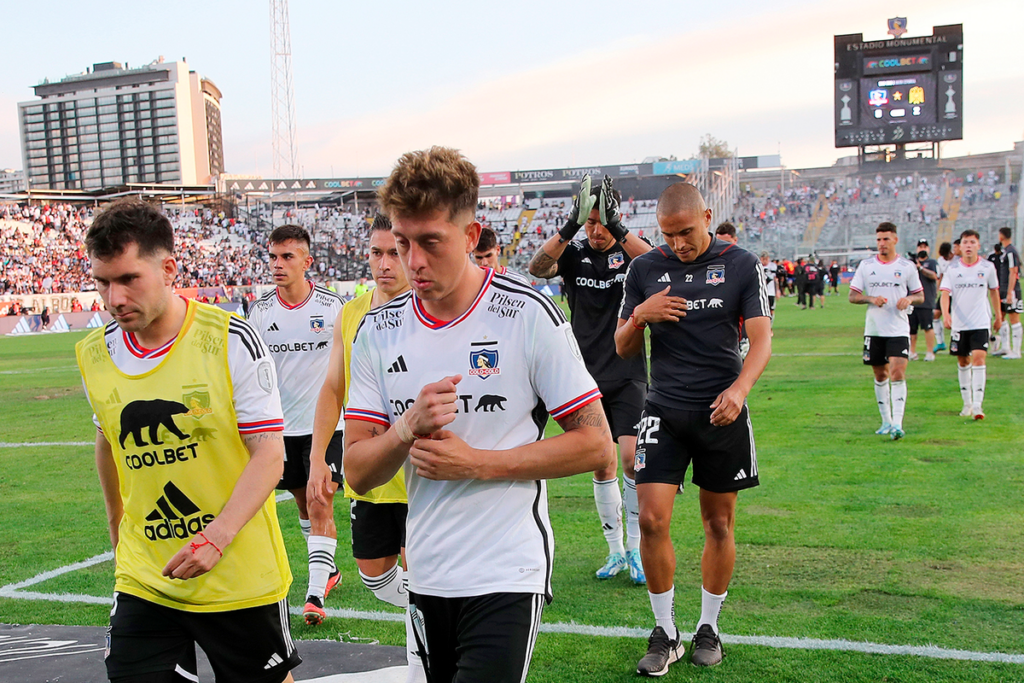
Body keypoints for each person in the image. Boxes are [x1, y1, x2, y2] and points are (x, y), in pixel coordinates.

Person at [344, 147, 611, 682]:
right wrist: (405, 429)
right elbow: (357, 472)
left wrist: (479, 463)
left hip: (506, 571)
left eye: (430, 243)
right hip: (426, 572)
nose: (412, 261)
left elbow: (596, 445)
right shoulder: (377, 331)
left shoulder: (527, 315)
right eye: (401, 243)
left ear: (470, 237)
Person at [75, 199, 300, 683]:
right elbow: (108, 438)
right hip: (145, 575)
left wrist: (216, 539)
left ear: (169, 268)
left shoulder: (229, 339)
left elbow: (270, 454)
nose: (113, 298)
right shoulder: (94, 352)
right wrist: (118, 530)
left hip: (238, 573)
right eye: (102, 282)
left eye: (128, 279)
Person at [614, 183, 772, 673]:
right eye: (669, 235)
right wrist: (641, 315)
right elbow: (621, 348)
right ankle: (665, 631)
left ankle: (710, 627)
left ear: (707, 215)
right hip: (662, 409)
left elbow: (762, 342)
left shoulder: (742, 264)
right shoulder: (644, 269)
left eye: (686, 232)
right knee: (650, 520)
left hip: (721, 412)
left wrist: (739, 391)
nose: (679, 243)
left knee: (718, 524)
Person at [308, 214, 424, 681]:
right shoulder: (352, 313)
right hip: (368, 467)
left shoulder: (428, 305)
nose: (384, 263)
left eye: (393, 252)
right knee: (375, 575)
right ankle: (434, 609)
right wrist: (318, 457)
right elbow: (334, 388)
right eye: (376, 253)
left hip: (420, 470)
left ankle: (426, 662)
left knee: (426, 573)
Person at [529, 174, 653, 583]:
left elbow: (658, 264)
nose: (595, 231)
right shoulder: (575, 250)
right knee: (602, 464)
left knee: (633, 458)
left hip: (629, 372)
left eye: (602, 222)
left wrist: (618, 227)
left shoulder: (633, 255)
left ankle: (636, 549)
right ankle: (615, 551)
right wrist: (569, 225)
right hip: (584, 375)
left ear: (615, 218)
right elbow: (537, 267)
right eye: (590, 222)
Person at [246, 225, 345, 626]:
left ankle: (315, 594)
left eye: (287, 257)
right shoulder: (259, 311)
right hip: (282, 431)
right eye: (273, 257)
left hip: (327, 427)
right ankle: (329, 569)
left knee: (321, 500)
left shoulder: (334, 307)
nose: (277, 264)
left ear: (307, 261)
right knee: (305, 506)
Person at [849, 223, 923, 440]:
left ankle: (898, 424)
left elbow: (920, 295)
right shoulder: (866, 266)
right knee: (880, 374)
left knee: (898, 371)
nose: (882, 244)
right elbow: (853, 296)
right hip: (874, 329)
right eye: (879, 239)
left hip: (898, 328)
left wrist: (909, 298)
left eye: (886, 239)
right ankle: (886, 421)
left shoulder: (907, 266)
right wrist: (871, 298)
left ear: (895, 240)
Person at [940, 230, 1002, 419]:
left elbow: (994, 291)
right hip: (959, 323)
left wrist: (998, 315)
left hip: (981, 322)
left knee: (979, 359)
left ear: (978, 245)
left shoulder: (988, 267)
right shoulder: (952, 269)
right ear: (960, 246)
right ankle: (966, 403)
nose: (968, 246)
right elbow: (944, 293)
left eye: (972, 242)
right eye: (965, 242)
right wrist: (946, 315)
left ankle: (977, 405)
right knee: (963, 361)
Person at [909, 240, 939, 362]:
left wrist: (920, 268)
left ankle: (930, 352)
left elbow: (934, 276)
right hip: (912, 300)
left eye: (924, 247)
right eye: (920, 247)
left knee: (928, 327)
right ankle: (912, 352)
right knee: (912, 329)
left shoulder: (932, 262)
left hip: (926, 301)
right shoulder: (911, 263)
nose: (922, 249)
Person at [995, 227, 1022, 359]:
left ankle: (1016, 351)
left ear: (1001, 236)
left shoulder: (1011, 252)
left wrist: (1011, 292)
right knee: (1001, 317)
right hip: (1003, 289)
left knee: (1014, 318)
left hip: (1011, 290)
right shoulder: (1005, 252)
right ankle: (1005, 347)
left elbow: (1014, 271)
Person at [932, 241, 954, 353]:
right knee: (935, 314)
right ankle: (940, 342)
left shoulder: (957, 260)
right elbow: (939, 276)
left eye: (946, 256)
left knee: (956, 319)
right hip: (945, 294)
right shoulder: (940, 261)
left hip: (956, 294)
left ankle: (956, 341)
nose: (945, 258)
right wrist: (936, 290)